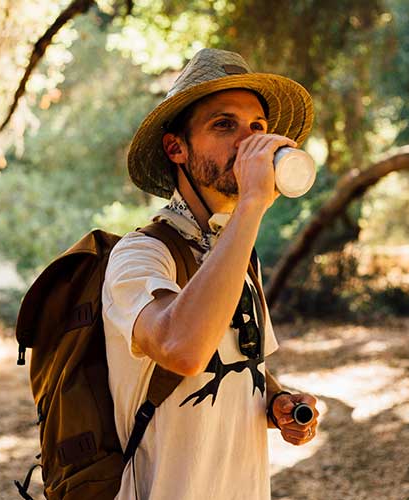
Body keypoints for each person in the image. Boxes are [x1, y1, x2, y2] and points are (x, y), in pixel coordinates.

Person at [102, 48, 320, 500]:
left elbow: (245, 365)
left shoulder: (237, 250)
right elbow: (183, 351)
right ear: (176, 148)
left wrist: (278, 400)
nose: (247, 141)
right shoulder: (139, 255)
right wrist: (253, 204)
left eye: (257, 127)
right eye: (224, 125)